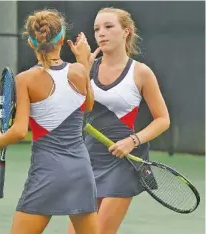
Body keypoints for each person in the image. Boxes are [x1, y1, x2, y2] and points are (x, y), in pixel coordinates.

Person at [0, 9, 98, 234]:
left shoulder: (25, 79)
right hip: (81, 172)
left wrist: (0, 140)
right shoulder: (80, 71)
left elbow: (19, 131)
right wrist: (84, 62)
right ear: (62, 39)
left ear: (32, 43)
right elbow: (88, 105)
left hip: (47, 174)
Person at [67, 7, 170, 234]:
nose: (101, 33)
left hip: (125, 163)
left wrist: (132, 141)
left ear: (126, 32)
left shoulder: (141, 73)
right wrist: (82, 66)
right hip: (88, 160)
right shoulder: (86, 68)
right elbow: (74, 111)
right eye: (96, 29)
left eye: (108, 26)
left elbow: (163, 119)